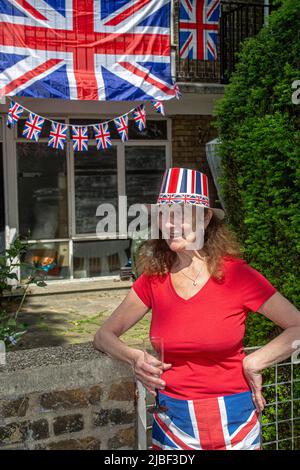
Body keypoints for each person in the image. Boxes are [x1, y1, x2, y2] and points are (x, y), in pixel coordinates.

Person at [93, 167, 300, 450]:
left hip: (237, 422)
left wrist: (256, 361)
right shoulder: (153, 279)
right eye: (164, 214)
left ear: (205, 217)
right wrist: (133, 357)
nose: (169, 224)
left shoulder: (238, 277)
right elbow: (104, 335)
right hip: (173, 424)